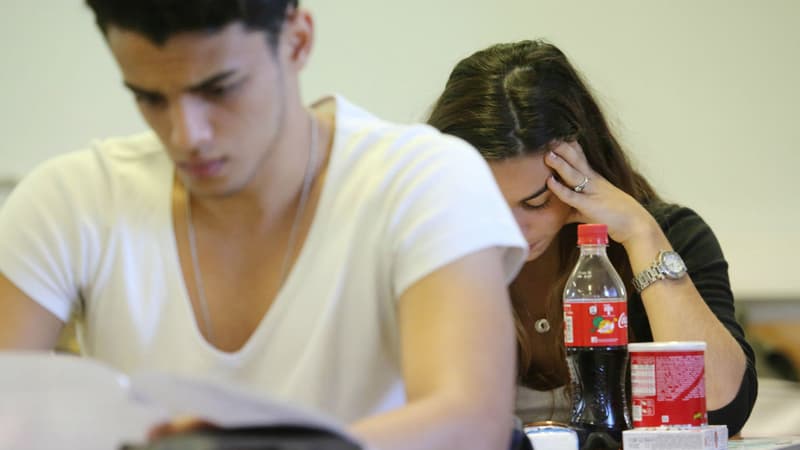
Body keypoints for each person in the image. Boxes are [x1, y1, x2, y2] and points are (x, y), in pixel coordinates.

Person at [0, 2, 530, 449]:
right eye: (150, 98)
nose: (187, 135)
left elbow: (470, 421)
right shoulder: (70, 199)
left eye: (219, 88)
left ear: (297, 41)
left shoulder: (424, 179)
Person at [427, 40, 757, 436]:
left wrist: (639, 232)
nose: (512, 229)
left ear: (582, 169)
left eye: (537, 202)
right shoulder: (432, 247)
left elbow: (719, 406)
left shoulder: (669, 234)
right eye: (486, 201)